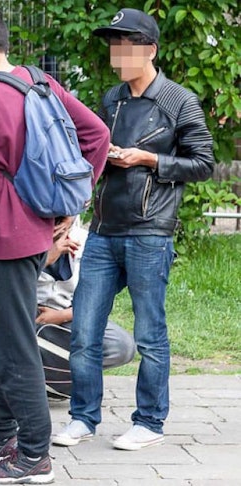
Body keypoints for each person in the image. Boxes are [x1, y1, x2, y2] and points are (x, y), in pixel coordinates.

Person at [0, 6, 110, 483]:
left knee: (12, 347)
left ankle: (34, 454)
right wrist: (68, 208)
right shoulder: (39, 82)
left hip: (7, 236)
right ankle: (1, 433)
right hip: (17, 236)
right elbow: (97, 136)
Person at [53, 8, 215, 452]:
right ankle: (83, 418)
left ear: (150, 50)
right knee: (84, 330)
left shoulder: (180, 100)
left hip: (150, 231)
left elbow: (203, 165)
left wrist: (148, 160)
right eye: (113, 44)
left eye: (126, 44)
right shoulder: (112, 99)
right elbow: (94, 158)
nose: (117, 52)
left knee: (149, 332)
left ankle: (149, 421)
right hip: (104, 230)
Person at [37, 221, 135, 388]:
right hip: (25, 315)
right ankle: (26, 379)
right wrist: (45, 260)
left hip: (68, 315)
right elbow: (7, 288)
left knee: (122, 346)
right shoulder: (22, 239)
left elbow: (98, 300)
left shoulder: (86, 242)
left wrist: (61, 316)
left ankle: (59, 379)